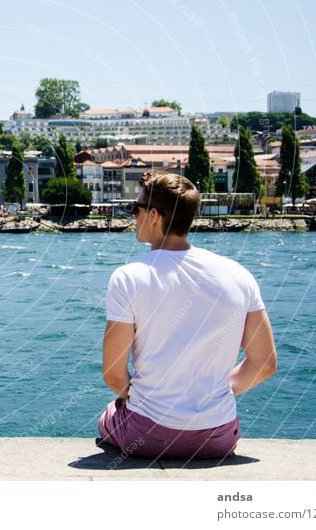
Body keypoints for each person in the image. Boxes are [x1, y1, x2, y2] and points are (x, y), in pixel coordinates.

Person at [98, 170, 277, 459]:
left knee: (109, 414)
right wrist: (218, 391)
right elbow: (265, 363)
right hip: (218, 437)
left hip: (147, 435)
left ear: (154, 216)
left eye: (136, 209)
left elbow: (114, 376)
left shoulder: (128, 277)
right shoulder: (239, 275)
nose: (134, 216)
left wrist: (143, 398)